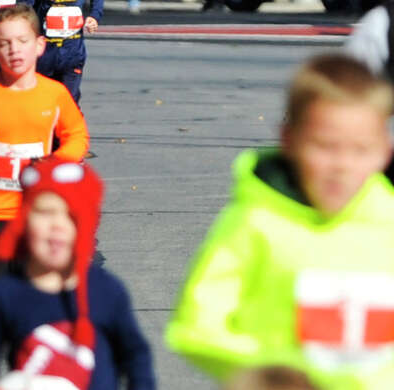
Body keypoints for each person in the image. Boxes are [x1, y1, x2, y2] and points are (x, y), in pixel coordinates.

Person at [167, 54, 394, 389]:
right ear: (290, 141)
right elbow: (199, 321)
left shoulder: (387, 221)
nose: (343, 165)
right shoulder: (256, 222)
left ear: (385, 151)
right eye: (326, 146)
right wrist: (258, 371)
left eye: (361, 150)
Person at [0, 157, 155, 390]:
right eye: (45, 213)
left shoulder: (106, 291)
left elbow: (136, 358)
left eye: (69, 215)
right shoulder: (7, 295)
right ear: (24, 223)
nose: (57, 224)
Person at [0, 5, 90, 302]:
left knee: (35, 293)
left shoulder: (54, 93)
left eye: (22, 41)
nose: (14, 50)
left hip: (39, 211)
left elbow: (78, 136)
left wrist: (55, 162)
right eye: (4, 43)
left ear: (39, 45)